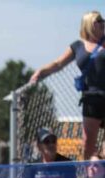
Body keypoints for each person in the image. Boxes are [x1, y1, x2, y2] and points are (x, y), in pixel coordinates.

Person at [30, 11, 105, 160]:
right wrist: (41, 72)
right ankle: (88, 177)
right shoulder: (78, 46)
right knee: (88, 142)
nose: (103, 23)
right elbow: (58, 64)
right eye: (99, 20)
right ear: (89, 24)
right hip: (91, 99)